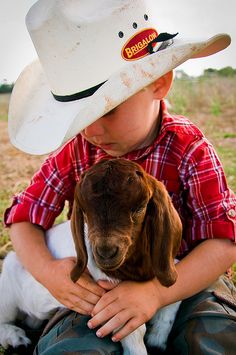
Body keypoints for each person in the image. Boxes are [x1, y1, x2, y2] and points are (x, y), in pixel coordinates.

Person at [4, 0, 236, 354]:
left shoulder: (189, 148)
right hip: (101, 291)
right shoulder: (77, 150)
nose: (93, 129)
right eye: (82, 117)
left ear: (158, 83)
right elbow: (23, 220)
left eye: (108, 109)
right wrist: (50, 273)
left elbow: (223, 242)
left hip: (183, 281)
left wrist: (158, 292)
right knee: (78, 348)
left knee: (212, 337)